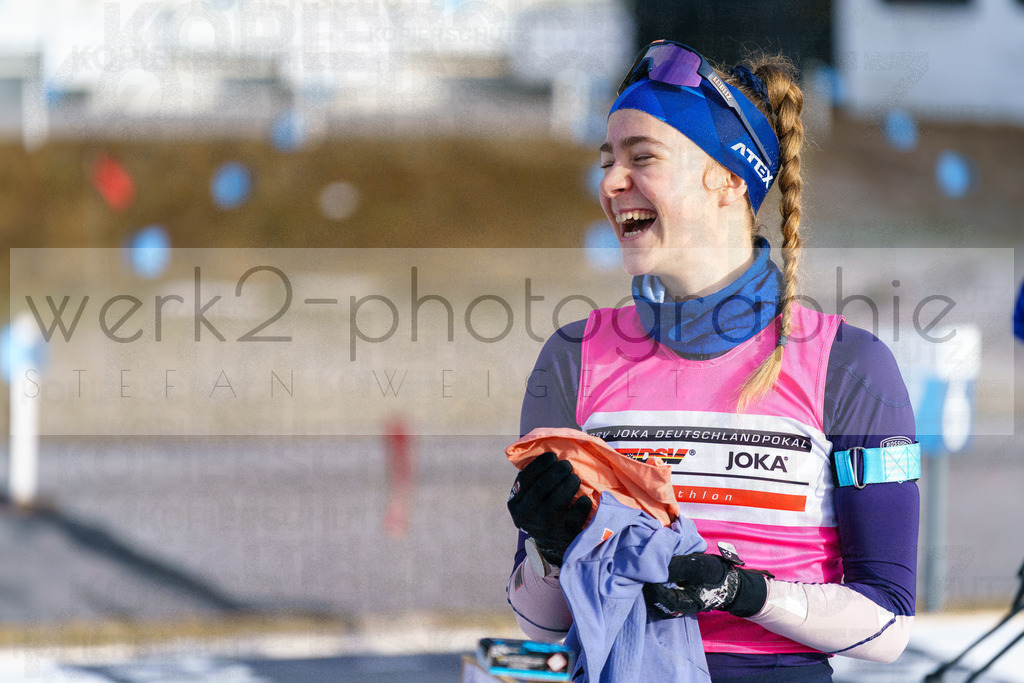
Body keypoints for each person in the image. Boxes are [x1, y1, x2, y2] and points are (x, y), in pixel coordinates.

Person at [505, 40, 921, 682]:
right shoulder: (572, 358)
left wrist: (744, 594)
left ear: (730, 177)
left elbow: (887, 623)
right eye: (608, 160)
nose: (612, 183)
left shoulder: (849, 365)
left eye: (642, 157)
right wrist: (550, 554)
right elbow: (542, 623)